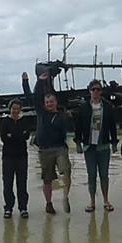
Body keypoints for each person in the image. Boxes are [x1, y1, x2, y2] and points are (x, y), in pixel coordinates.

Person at [74, 79, 118, 213]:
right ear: (89, 91)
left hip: (104, 145)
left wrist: (114, 142)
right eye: (93, 89)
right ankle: (92, 202)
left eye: (98, 89)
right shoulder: (83, 108)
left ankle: (106, 200)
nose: (96, 92)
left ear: (101, 91)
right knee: (91, 175)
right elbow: (78, 127)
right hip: (89, 147)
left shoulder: (108, 106)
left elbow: (112, 125)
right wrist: (78, 143)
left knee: (104, 175)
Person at [33, 64, 72, 214]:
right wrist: (39, 81)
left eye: (52, 101)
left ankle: (65, 196)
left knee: (66, 171)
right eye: (47, 102)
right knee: (47, 179)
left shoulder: (62, 115)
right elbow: (36, 97)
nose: (49, 104)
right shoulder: (41, 113)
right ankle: (48, 204)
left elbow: (71, 128)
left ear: (56, 102)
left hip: (60, 148)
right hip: (44, 150)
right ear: (45, 104)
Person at [0, 97, 31, 219]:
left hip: (22, 157)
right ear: (10, 109)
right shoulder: (5, 122)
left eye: (18, 109)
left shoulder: (24, 121)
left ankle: (23, 207)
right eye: (13, 109)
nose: (15, 111)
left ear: (20, 109)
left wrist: (12, 135)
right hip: (8, 157)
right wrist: (18, 135)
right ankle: (8, 207)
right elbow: (4, 138)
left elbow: (27, 136)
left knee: (22, 183)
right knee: (7, 183)